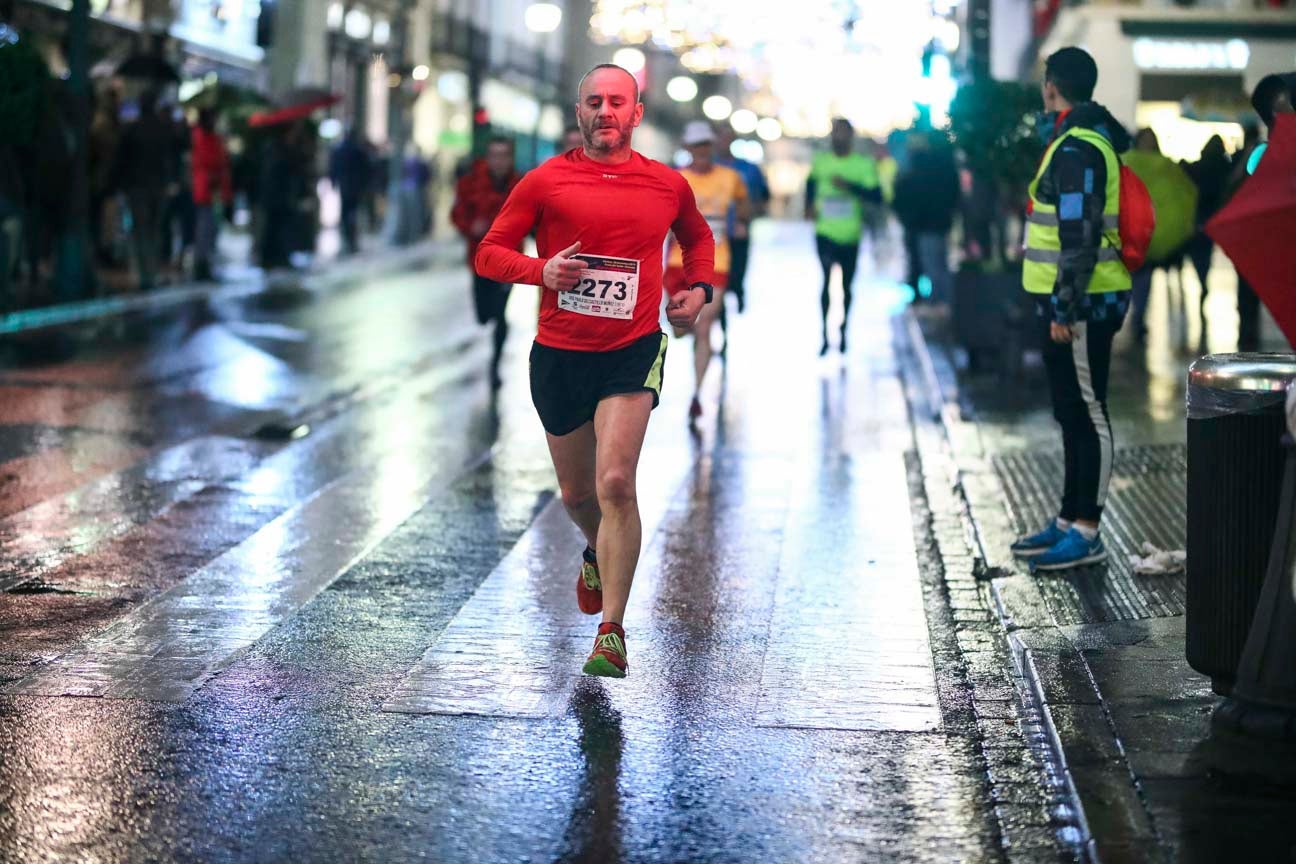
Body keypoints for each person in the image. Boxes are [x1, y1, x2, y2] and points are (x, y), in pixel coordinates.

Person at [474, 64, 714, 679]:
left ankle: (611, 631)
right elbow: (489, 253)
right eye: (594, 102)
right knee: (579, 495)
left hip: (631, 350)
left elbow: (697, 239)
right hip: (559, 355)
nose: (606, 112)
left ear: (635, 114)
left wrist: (696, 289)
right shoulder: (545, 180)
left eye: (617, 102)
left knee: (614, 483)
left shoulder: (667, 184)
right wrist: (542, 272)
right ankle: (593, 549)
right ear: (579, 112)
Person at [1010, 46, 1132, 572]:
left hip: (1082, 307)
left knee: (1089, 414)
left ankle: (1088, 530)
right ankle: (1066, 519)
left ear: (1051, 86)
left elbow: (1079, 240)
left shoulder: (1078, 148)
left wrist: (1063, 308)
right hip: (1066, 305)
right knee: (1070, 412)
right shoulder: (1069, 142)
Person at [665, 121, 749, 421]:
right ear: (687, 148)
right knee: (679, 329)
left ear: (712, 147)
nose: (702, 151)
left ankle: (697, 396)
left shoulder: (730, 178)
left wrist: (741, 223)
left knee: (704, 326)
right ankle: (702, 352)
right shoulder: (676, 179)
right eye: (696, 145)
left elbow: (744, 206)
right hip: (678, 263)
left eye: (706, 145)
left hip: (717, 262)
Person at [450, 135, 523, 389]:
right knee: (483, 316)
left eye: (504, 155)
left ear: (510, 158)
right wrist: (472, 227)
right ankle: (493, 322)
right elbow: (457, 214)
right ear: (488, 157)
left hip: (509, 261)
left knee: (500, 314)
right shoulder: (471, 183)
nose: (499, 161)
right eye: (495, 155)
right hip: (480, 260)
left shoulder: (521, 184)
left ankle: (495, 365)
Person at [805, 117, 881, 355]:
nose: (838, 138)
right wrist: (808, 206)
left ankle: (844, 329)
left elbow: (876, 195)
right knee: (825, 280)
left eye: (842, 133)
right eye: (834, 133)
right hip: (824, 232)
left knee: (847, 286)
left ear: (850, 136)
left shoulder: (862, 164)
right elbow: (811, 184)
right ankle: (824, 335)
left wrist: (849, 186)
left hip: (850, 234)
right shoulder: (821, 161)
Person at [115, 90, 176, 291]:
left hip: (137, 187)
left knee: (141, 231)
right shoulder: (163, 129)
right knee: (153, 230)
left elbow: (122, 160)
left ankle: (143, 274)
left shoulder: (132, 130)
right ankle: (150, 272)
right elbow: (171, 158)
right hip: (157, 186)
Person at [892, 135, 960, 305]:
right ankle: (942, 301)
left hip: (926, 223)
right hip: (934, 222)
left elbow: (908, 194)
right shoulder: (941, 166)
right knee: (937, 263)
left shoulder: (919, 169)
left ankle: (939, 303)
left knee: (932, 265)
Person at [714, 124, 769, 319]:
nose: (723, 142)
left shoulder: (748, 168)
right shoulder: (709, 166)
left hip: (739, 232)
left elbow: (763, 197)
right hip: (715, 236)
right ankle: (721, 323)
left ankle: (738, 291)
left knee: (736, 273)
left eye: (727, 137)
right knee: (717, 280)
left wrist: (747, 217)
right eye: (720, 137)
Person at [1184, 135, 1231, 343]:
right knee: (1206, 260)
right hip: (1214, 222)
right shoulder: (1224, 168)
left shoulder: (1199, 167)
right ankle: (1203, 288)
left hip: (1197, 222)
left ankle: (1202, 287)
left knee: (1200, 260)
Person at [190, 108, 233, 282]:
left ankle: (205, 264)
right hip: (206, 190)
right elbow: (210, 162)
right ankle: (200, 266)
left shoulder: (212, 138)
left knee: (211, 229)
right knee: (205, 229)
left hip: (213, 191)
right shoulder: (201, 137)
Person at [329, 129, 371, 256]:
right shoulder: (357, 150)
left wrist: (334, 182)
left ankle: (347, 241)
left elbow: (333, 168)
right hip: (354, 187)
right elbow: (365, 169)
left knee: (346, 214)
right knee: (351, 214)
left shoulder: (340, 150)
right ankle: (350, 241)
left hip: (345, 186)